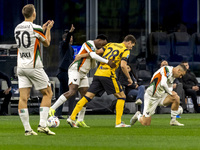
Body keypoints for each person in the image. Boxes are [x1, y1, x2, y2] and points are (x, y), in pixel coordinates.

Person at [67, 35, 136, 128]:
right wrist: (129, 78)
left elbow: (95, 53)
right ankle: (118, 122)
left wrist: (81, 55)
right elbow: (123, 65)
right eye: (132, 45)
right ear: (129, 42)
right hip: (108, 75)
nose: (131, 48)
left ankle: (71, 117)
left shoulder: (110, 44)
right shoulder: (125, 50)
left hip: (98, 73)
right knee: (122, 96)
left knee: (88, 96)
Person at [49, 34, 116, 127]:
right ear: (99, 40)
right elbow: (93, 55)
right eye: (103, 44)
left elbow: (93, 58)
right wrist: (107, 62)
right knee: (72, 91)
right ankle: (52, 109)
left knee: (85, 96)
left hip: (83, 73)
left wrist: (82, 56)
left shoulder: (94, 50)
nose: (103, 46)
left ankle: (79, 120)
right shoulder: (89, 43)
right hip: (76, 69)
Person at [14, 4, 55, 136]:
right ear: (34, 14)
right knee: (48, 93)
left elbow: (30, 39)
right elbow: (47, 43)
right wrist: (47, 29)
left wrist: (41, 30)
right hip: (33, 66)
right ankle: (43, 125)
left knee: (23, 97)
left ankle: (27, 130)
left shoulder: (17, 28)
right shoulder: (36, 28)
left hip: (21, 66)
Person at [55, 24, 76, 119]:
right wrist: (70, 32)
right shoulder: (64, 44)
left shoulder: (67, 47)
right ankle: (71, 114)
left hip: (63, 72)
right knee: (72, 92)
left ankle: (57, 113)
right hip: (65, 72)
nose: (72, 38)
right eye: (70, 37)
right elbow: (66, 41)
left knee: (62, 93)